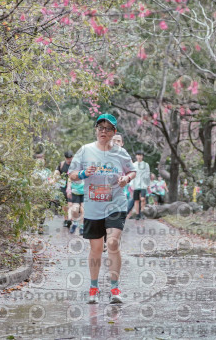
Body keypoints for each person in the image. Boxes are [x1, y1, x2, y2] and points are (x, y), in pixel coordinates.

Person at [68, 114, 135, 304]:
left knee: (112, 243)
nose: (103, 131)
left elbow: (132, 171)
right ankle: (93, 287)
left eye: (107, 128)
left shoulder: (121, 153)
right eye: (100, 128)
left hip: (116, 203)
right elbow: (72, 174)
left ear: (114, 132)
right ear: (96, 130)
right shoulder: (85, 150)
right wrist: (83, 173)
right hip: (93, 206)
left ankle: (115, 289)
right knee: (96, 248)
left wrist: (126, 179)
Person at [112, 134, 134, 216]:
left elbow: (132, 171)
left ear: (122, 143)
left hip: (121, 191)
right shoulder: (103, 154)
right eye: (114, 140)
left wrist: (127, 177)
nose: (116, 143)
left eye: (118, 141)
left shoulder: (125, 155)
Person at [54, 151, 73, 228]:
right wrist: (55, 177)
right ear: (65, 158)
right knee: (64, 204)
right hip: (63, 186)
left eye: (70, 158)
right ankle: (65, 219)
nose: (69, 160)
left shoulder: (75, 165)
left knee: (70, 204)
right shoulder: (61, 164)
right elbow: (56, 172)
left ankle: (70, 218)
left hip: (73, 186)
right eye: (67, 158)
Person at [129, 150, 150, 219]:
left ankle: (142, 212)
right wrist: (131, 184)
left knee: (143, 199)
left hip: (143, 185)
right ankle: (137, 214)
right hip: (136, 185)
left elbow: (147, 174)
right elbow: (131, 174)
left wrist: (148, 184)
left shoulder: (146, 165)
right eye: (138, 155)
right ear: (136, 156)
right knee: (136, 200)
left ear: (142, 156)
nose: (139, 157)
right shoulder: (133, 165)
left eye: (140, 155)